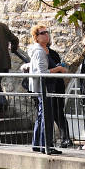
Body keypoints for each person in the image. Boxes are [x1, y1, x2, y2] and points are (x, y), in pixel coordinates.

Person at [28, 23, 64, 154]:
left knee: (42, 115)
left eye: (47, 32)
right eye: (42, 33)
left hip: (46, 87)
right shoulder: (39, 51)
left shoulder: (42, 50)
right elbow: (42, 72)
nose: (46, 35)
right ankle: (46, 146)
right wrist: (59, 69)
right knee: (46, 116)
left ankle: (37, 144)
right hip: (44, 87)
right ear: (36, 37)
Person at [46, 41, 72, 148]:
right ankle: (64, 138)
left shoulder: (49, 54)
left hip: (54, 85)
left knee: (55, 113)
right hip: (55, 85)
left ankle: (63, 138)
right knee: (56, 113)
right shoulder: (51, 53)